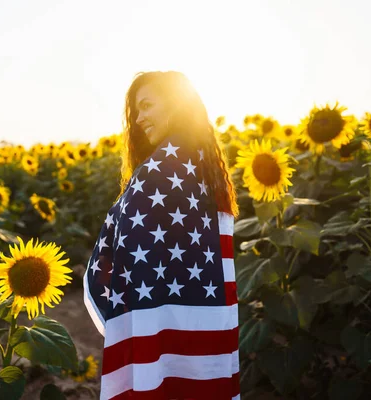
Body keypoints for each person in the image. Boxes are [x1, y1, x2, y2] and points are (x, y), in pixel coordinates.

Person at [83, 70, 240, 400]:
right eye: (135, 111)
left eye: (147, 106)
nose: (139, 119)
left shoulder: (157, 173)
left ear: (176, 106)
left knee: (158, 383)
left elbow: (118, 244)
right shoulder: (205, 169)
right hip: (204, 332)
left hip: (157, 325)